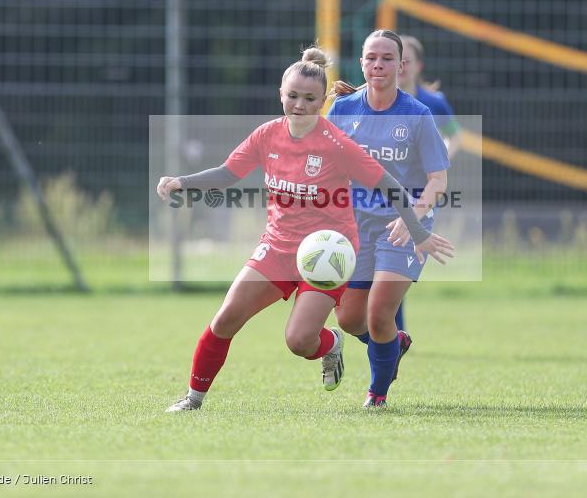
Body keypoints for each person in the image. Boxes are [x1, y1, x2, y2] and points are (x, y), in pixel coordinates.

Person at [157, 46, 453, 412]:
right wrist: (181, 182)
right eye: (292, 96)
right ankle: (193, 398)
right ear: (280, 94)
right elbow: (227, 173)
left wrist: (418, 231)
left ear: (321, 101)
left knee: (298, 341)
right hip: (278, 247)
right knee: (226, 317)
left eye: (309, 98)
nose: (299, 105)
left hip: (326, 254)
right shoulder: (267, 135)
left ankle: (330, 345)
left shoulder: (337, 144)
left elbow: (391, 186)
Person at [326, 30, 451, 408]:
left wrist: (412, 218)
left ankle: (376, 394)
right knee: (349, 319)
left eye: (386, 58)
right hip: (356, 223)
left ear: (402, 65)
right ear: (361, 63)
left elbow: (438, 182)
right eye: (371, 58)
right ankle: (393, 344)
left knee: (380, 313)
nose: (378, 64)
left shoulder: (418, 115)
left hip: (405, 225)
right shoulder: (344, 110)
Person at [393, 34, 466, 332]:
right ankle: (391, 333)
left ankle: (393, 334)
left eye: (406, 59)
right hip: (378, 190)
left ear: (418, 65)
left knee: (394, 260)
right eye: (397, 58)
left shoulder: (433, 102)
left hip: (418, 193)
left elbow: (455, 136)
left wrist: (438, 160)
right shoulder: (374, 100)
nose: (401, 65)